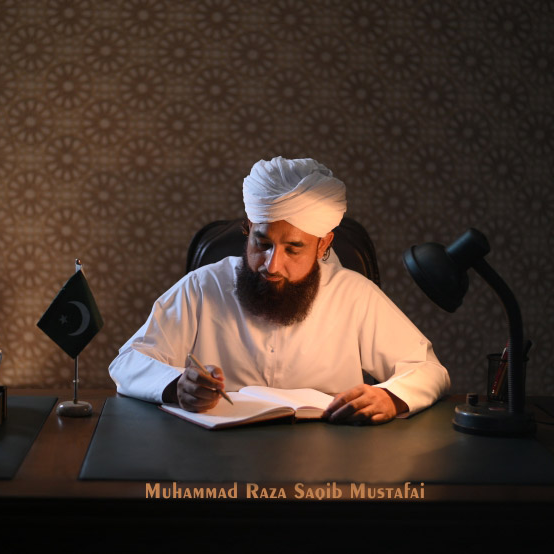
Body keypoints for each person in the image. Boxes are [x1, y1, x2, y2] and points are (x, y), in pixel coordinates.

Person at [109, 157, 450, 424]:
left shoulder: (355, 295)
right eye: (263, 243)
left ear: (323, 245)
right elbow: (128, 362)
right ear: (249, 228)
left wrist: (390, 397)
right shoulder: (203, 287)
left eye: (293, 249)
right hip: (218, 456)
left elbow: (429, 370)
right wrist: (176, 385)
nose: (272, 265)